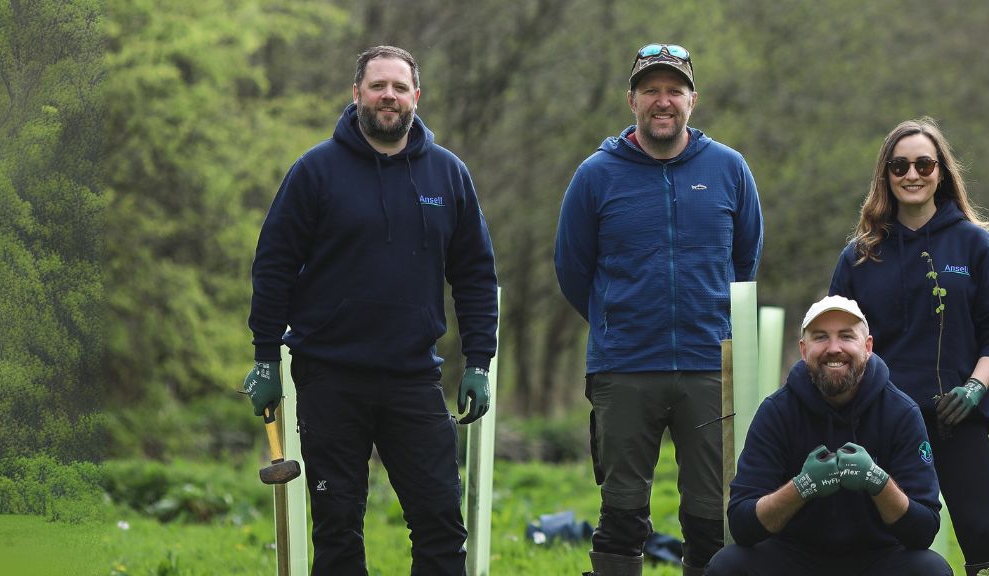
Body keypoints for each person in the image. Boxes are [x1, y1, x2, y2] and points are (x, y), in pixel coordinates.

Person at [243, 45, 498, 576]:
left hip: (413, 378)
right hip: (329, 377)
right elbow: (273, 266)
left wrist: (479, 361)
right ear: (356, 93)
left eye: (399, 87)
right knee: (337, 533)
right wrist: (266, 357)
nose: (389, 96)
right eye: (378, 85)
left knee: (440, 527)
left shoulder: (448, 176)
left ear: (416, 97)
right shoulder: (315, 171)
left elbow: (475, 275)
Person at [554, 43, 764, 576]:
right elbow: (573, 271)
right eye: (651, 90)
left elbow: (745, 263)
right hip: (624, 368)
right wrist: (619, 320)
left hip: (709, 367)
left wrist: (711, 320)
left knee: (711, 517)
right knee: (622, 511)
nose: (662, 101)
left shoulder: (729, 170)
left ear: (693, 100)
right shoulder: (595, 175)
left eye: (674, 90)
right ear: (632, 100)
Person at [828, 118, 989, 575]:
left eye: (923, 163)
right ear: (885, 175)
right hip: (880, 420)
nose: (912, 175)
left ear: (941, 172)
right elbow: (837, 335)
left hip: (958, 417)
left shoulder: (977, 245)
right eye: (899, 166)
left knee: (981, 543)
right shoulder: (861, 254)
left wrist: (976, 385)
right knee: (877, 544)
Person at [707, 296, 951, 576]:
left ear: (868, 346)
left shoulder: (901, 412)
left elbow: (923, 530)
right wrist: (802, 487)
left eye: (846, 336)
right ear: (803, 349)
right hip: (793, 557)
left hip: (877, 558)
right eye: (820, 337)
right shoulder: (777, 411)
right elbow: (741, 524)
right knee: (727, 565)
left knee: (932, 569)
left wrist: (877, 481)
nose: (834, 348)